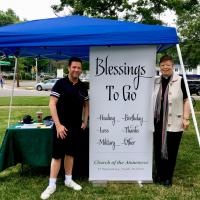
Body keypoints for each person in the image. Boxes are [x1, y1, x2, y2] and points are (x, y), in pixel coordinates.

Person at [41, 57, 89, 200]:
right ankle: (52, 184)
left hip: (75, 127)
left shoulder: (82, 86)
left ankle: (68, 180)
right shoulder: (60, 84)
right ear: (69, 67)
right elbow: (52, 104)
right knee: (57, 156)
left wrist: (85, 121)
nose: (76, 70)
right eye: (74, 67)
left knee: (70, 154)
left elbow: (86, 105)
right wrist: (58, 125)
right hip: (60, 127)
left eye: (79, 68)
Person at [153, 55, 190, 187]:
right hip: (157, 122)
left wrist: (186, 118)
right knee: (158, 149)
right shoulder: (156, 81)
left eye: (167, 64)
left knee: (171, 150)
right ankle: (159, 174)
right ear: (160, 67)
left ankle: (168, 176)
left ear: (172, 66)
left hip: (174, 121)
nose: (165, 67)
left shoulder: (180, 81)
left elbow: (187, 101)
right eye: (162, 65)